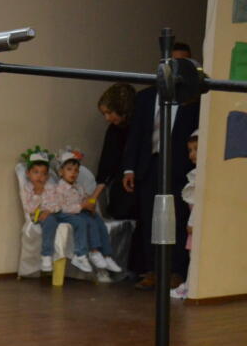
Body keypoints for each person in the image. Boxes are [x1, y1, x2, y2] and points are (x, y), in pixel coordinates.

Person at [121, 42, 198, 289]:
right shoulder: (146, 97)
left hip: (179, 167)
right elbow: (135, 134)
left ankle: (176, 270)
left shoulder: (193, 99)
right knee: (149, 217)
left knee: (178, 218)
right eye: (171, 63)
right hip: (149, 164)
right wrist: (129, 168)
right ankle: (153, 269)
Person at [48, 151, 123, 273]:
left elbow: (86, 199)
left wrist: (91, 204)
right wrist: (82, 206)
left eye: (76, 170)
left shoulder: (78, 187)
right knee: (89, 221)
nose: (73, 173)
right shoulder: (59, 188)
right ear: (61, 172)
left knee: (99, 221)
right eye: (69, 169)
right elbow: (62, 208)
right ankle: (94, 252)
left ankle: (107, 255)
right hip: (69, 213)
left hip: (81, 211)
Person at [94, 83, 137, 220]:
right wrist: (93, 198)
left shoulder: (140, 127)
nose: (107, 118)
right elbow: (107, 165)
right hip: (123, 192)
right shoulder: (114, 130)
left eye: (109, 112)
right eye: (104, 114)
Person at [18, 148, 60, 272]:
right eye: (36, 172)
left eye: (43, 173)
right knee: (50, 221)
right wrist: (37, 193)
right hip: (37, 216)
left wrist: (49, 211)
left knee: (66, 217)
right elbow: (28, 208)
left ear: (47, 176)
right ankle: (46, 255)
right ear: (28, 173)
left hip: (52, 213)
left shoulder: (51, 187)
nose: (39, 176)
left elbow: (58, 203)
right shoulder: (27, 189)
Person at [171, 130, 198, 299]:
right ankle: (189, 285)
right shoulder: (194, 174)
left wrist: (192, 222)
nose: (192, 154)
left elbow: (198, 204)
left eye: (196, 149)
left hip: (196, 224)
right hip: (193, 223)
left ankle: (191, 287)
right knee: (192, 256)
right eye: (190, 150)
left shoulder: (201, 176)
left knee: (195, 257)